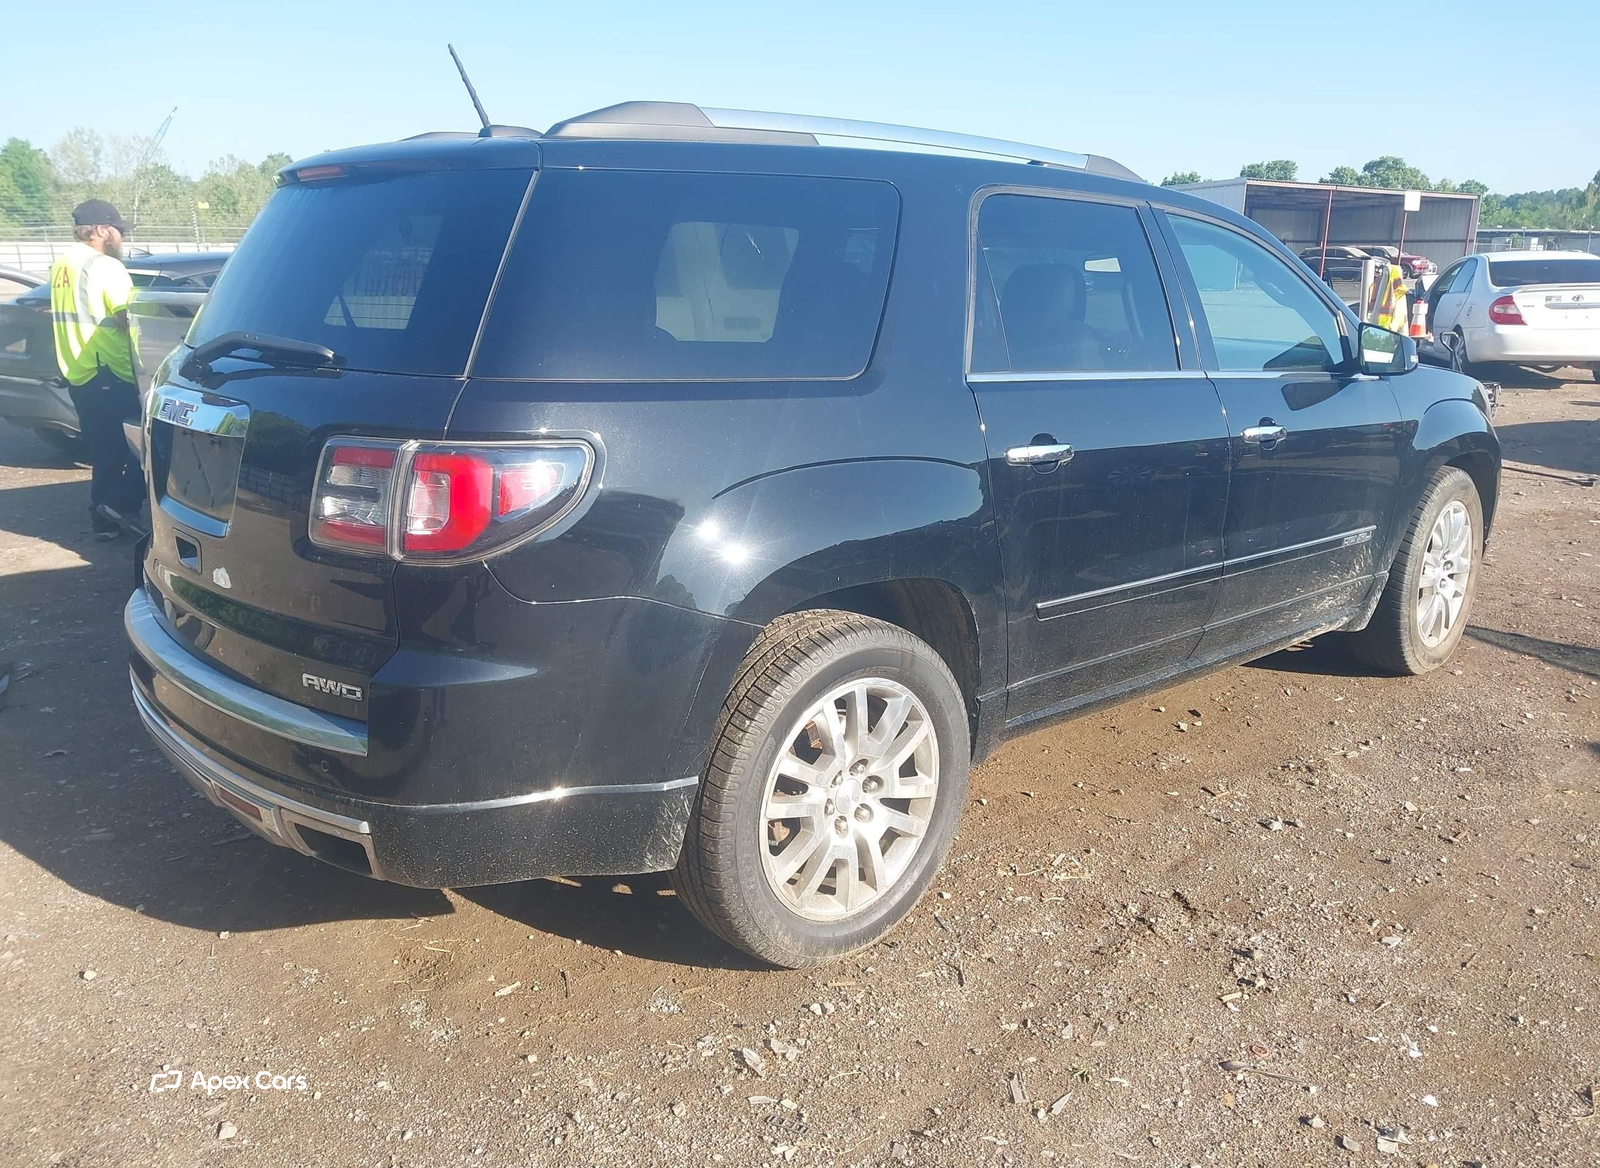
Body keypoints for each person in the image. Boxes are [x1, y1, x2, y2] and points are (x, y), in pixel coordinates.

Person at [50, 198, 144, 540]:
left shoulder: (62, 264)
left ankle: (104, 518)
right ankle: (118, 507)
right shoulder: (105, 266)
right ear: (102, 230)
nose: (121, 238)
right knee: (145, 442)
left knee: (104, 448)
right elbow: (125, 318)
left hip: (77, 370)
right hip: (110, 369)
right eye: (118, 231)